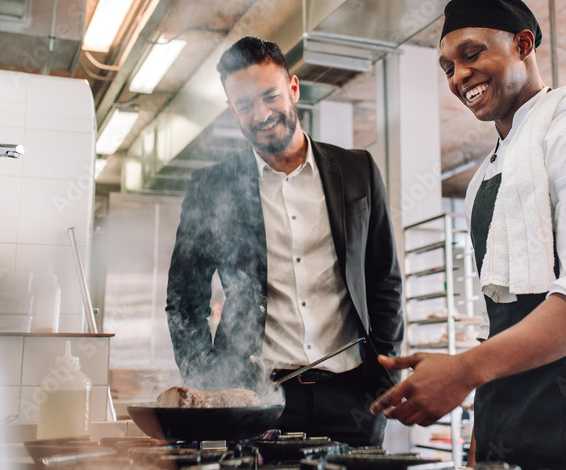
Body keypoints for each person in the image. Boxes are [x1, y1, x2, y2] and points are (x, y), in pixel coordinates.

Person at [370, 0, 566, 469]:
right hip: (522, 424)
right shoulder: (487, 179)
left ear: (522, 44)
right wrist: (484, 428)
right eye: (448, 68)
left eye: (472, 54)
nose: (459, 76)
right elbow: (503, 318)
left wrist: (464, 372)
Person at [166, 36, 404, 446]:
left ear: (293, 88)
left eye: (270, 96)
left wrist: (383, 379)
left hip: (353, 399)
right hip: (256, 400)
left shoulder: (357, 170)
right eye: (244, 105)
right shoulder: (211, 187)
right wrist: (210, 385)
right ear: (231, 109)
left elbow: (384, 280)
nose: (260, 114)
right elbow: (184, 302)